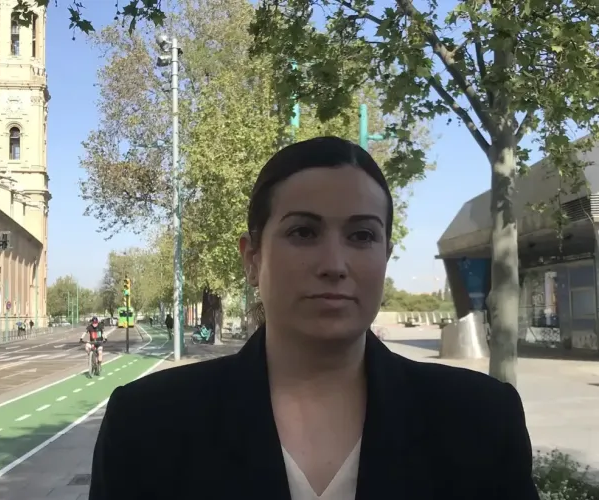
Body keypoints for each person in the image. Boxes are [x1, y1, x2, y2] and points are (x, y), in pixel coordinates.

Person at [90, 136, 539, 499]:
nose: (334, 264)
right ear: (252, 259)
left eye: (362, 235)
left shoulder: (481, 420)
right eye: (303, 232)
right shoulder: (147, 424)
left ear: (386, 255)